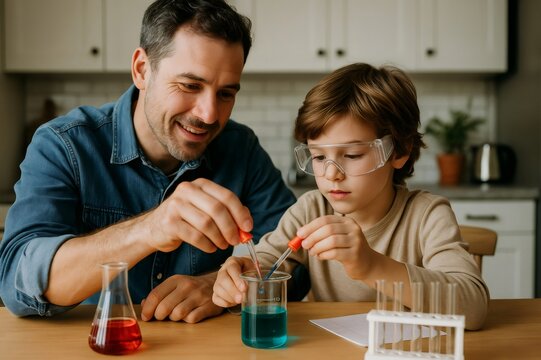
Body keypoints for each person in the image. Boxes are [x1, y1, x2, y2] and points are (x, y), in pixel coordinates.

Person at [0, 0, 296, 323]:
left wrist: (218, 287)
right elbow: (17, 281)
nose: (209, 114)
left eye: (226, 94)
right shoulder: (64, 146)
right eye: (190, 86)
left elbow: (294, 259)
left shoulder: (242, 150)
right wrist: (150, 229)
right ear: (142, 70)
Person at [212, 63, 489, 330]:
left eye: (353, 155)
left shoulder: (427, 214)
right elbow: (264, 265)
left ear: (399, 151)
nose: (332, 174)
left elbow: (474, 308)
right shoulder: (311, 210)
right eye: (319, 157)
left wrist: (372, 266)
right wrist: (239, 278)